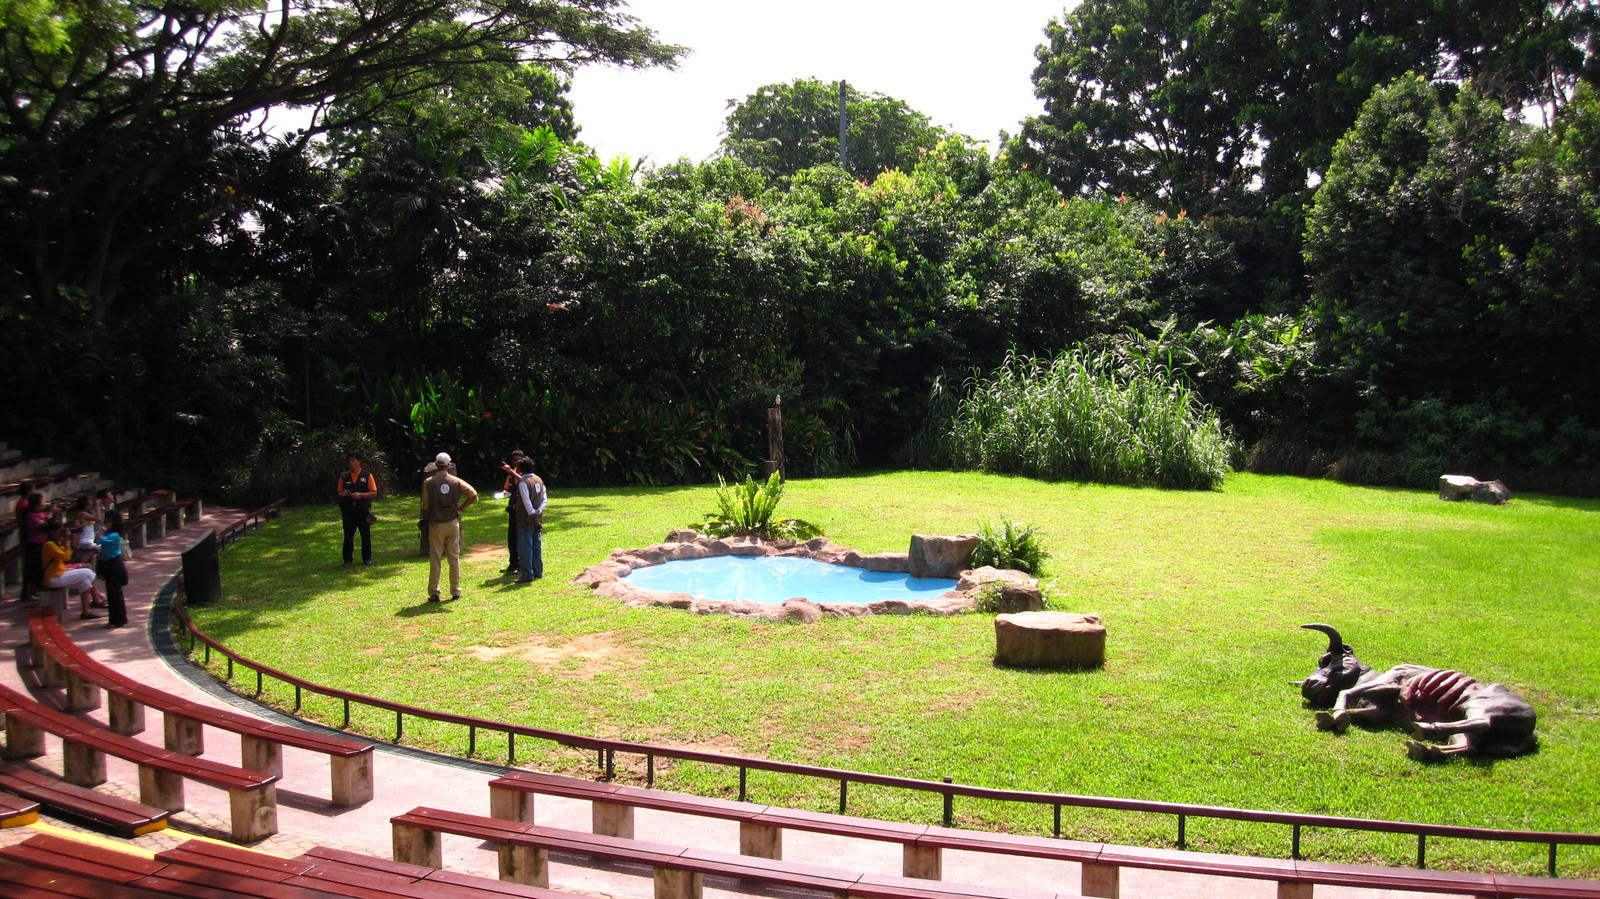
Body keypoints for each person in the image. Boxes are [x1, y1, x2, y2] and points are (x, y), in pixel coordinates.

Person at [419, 452, 476, 602]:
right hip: (452, 522)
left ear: (436, 464)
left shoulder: (428, 482)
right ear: (448, 465)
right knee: (454, 558)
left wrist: (425, 521)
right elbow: (473, 494)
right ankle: (455, 590)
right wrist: (461, 507)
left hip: (436, 523)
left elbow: (425, 506)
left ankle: (434, 592)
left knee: (435, 559)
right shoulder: (456, 481)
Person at [43, 523, 103, 619]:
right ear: (53, 532)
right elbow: (66, 557)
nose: (61, 534)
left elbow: (66, 556)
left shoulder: (56, 544)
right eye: (59, 531)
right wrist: (67, 541)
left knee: (85, 582)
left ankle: (85, 612)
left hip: (59, 574)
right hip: (53, 578)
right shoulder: (49, 545)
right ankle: (96, 599)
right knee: (88, 573)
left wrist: (65, 541)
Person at [336, 452, 378, 566]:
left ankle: (367, 559)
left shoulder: (367, 475)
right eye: (349, 461)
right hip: (348, 510)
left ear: (359, 462)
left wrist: (360, 495)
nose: (351, 463)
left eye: (353, 460)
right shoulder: (344, 476)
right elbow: (339, 491)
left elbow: (374, 493)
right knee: (348, 536)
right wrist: (344, 494)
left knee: (365, 535)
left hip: (363, 510)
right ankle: (347, 560)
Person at [510, 457, 547, 583]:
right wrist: (538, 511)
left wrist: (531, 512)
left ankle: (527, 574)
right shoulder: (539, 480)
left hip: (525, 519)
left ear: (520, 469)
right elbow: (544, 498)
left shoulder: (523, 482)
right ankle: (538, 572)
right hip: (538, 519)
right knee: (536, 546)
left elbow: (526, 501)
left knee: (525, 547)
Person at [95, 510, 131, 628]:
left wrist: (103, 527)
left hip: (114, 565)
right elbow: (97, 540)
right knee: (112, 593)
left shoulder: (115, 535)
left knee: (115, 593)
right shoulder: (109, 534)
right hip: (109, 565)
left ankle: (118, 620)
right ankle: (116, 619)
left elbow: (99, 539)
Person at [499, 449, 526, 574]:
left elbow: (524, 481)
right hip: (513, 508)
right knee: (512, 538)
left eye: (519, 459)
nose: (517, 462)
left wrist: (511, 472)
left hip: (522, 509)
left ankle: (521, 565)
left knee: (521, 537)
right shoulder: (512, 473)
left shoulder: (526, 472)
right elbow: (506, 488)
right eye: (515, 460)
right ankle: (513, 564)